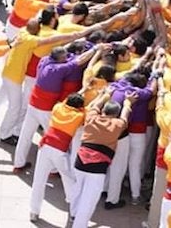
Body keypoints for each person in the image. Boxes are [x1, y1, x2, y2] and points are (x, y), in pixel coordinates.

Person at [70, 87, 134, 228]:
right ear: (115, 114)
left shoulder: (91, 117)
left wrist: (105, 95)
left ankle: (73, 214)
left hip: (80, 161)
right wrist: (128, 102)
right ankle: (79, 225)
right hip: (98, 167)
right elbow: (125, 115)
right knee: (89, 199)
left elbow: (95, 106)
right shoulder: (117, 124)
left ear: (104, 111)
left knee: (78, 189)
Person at [28, 93, 85, 222]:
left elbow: (65, 102)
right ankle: (73, 213)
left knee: (38, 181)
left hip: (44, 147)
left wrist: (84, 89)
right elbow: (89, 108)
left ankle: (34, 211)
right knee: (68, 179)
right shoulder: (79, 116)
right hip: (59, 152)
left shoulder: (57, 108)